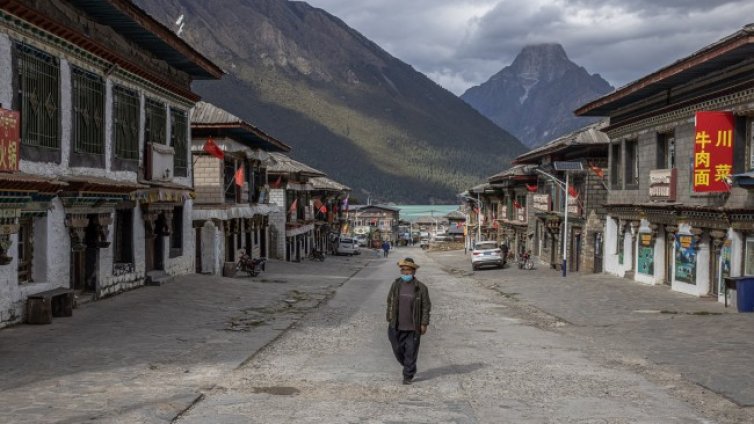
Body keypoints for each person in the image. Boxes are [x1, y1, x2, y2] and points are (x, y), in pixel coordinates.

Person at [386, 257, 431, 385]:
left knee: (410, 351)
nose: (406, 273)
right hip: (396, 325)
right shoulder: (396, 285)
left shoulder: (421, 288)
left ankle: (408, 375)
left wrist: (424, 323)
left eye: (409, 271)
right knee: (397, 349)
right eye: (404, 270)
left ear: (413, 272)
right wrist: (389, 318)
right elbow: (390, 302)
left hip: (413, 327)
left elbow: (426, 307)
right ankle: (409, 365)